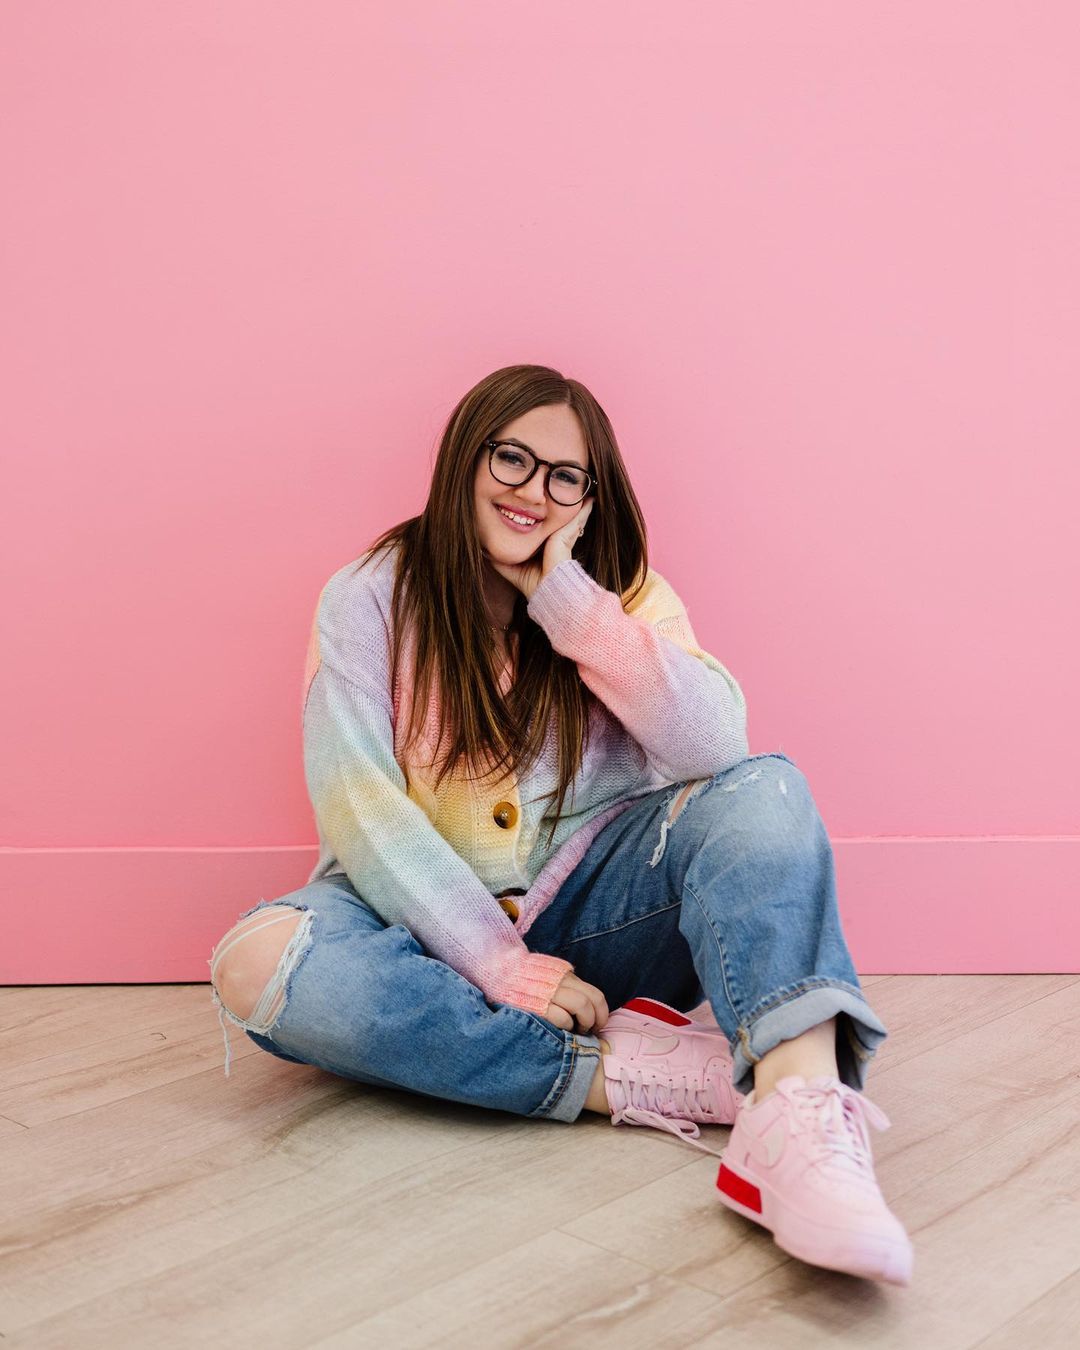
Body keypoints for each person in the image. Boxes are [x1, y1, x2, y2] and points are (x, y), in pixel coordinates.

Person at [207, 363, 913, 1285]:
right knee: (258, 961)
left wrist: (569, 606)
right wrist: (495, 963)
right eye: (512, 458)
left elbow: (717, 746)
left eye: (564, 476)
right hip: (413, 927)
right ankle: (622, 1075)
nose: (533, 492)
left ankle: (797, 1114)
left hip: (596, 924)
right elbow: (360, 806)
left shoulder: (623, 595)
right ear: (466, 456)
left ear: (589, 496)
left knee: (767, 790)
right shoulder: (368, 594)